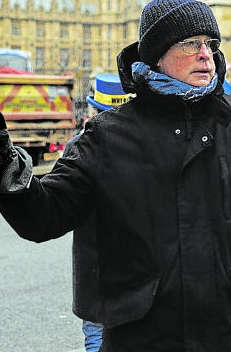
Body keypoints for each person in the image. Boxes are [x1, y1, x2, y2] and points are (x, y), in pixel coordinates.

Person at [0, 0, 231, 352]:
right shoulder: (108, 135)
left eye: (210, 44)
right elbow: (46, 215)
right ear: (157, 56)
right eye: (190, 44)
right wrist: (6, 166)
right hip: (144, 338)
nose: (206, 54)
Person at [73, 74, 132, 352]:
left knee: (95, 332)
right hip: (139, 264)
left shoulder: (79, 147)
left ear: (95, 109)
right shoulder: (144, 143)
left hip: (94, 260)